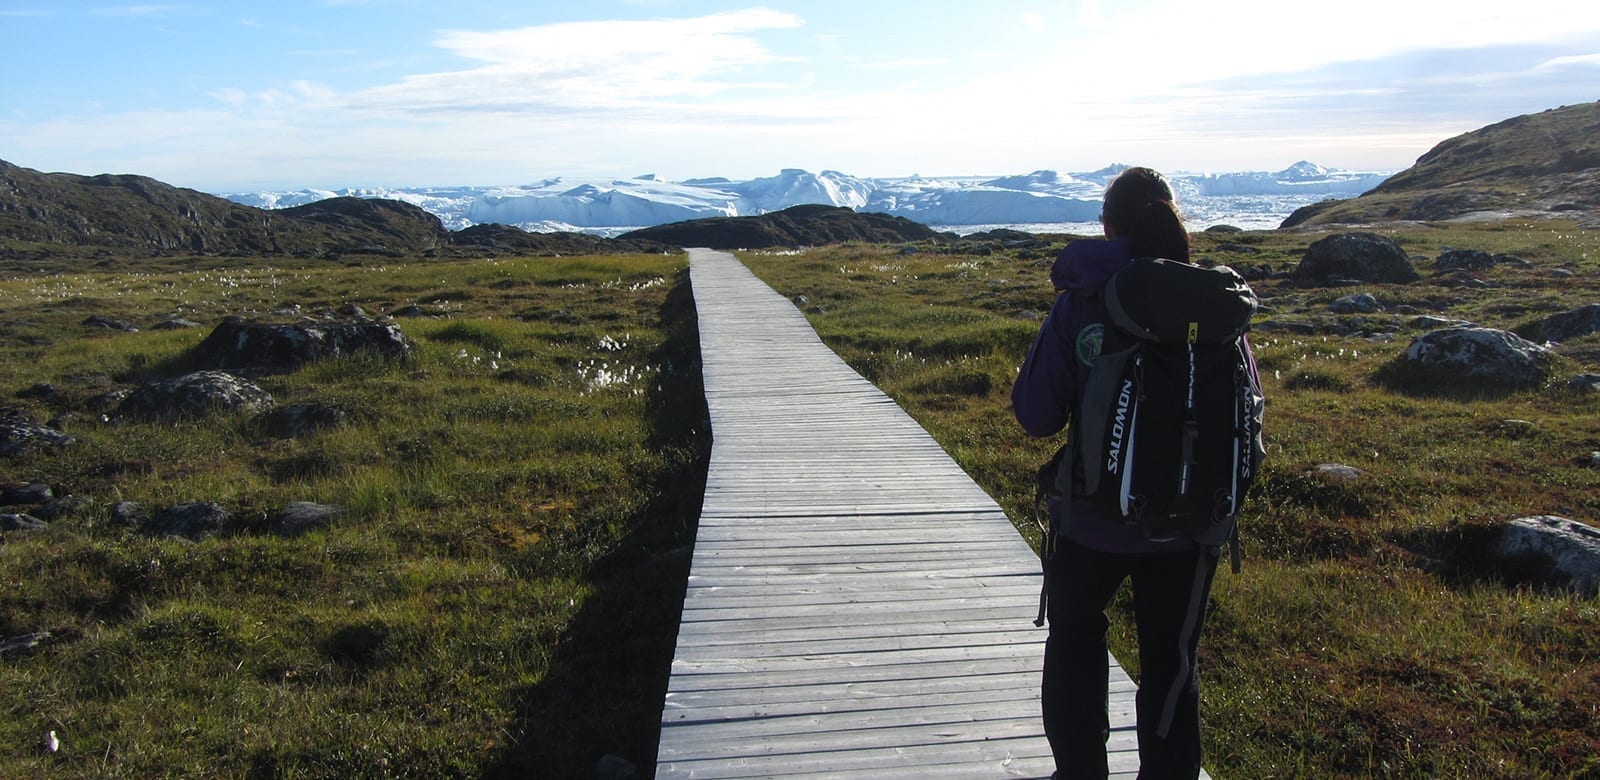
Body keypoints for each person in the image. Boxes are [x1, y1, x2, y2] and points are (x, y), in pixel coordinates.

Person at [1012, 167, 1256, 779]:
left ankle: (1081, 773)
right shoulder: (1215, 305)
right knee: (1172, 663)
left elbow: (1036, 414)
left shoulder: (1085, 300)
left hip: (1092, 517)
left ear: (1107, 226)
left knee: (1076, 640)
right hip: (1190, 523)